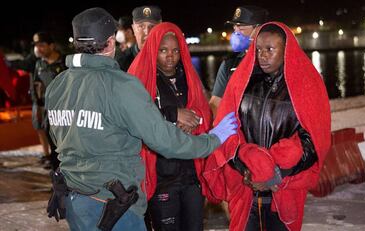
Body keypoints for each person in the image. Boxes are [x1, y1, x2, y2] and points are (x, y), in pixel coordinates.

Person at [45, 7, 237, 231]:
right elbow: (165, 141)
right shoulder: (121, 85)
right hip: (112, 205)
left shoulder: (57, 85)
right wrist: (213, 139)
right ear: (110, 42)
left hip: (74, 199)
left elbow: (56, 138)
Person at [203, 22, 331, 231]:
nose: (262, 55)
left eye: (270, 49)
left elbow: (315, 141)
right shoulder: (243, 83)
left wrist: (276, 174)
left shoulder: (306, 86)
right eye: (259, 49)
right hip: (245, 190)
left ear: (286, 49)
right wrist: (246, 168)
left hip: (283, 188)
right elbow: (228, 129)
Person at [128, 22, 216, 231]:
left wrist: (193, 122)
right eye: (164, 50)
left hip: (191, 173)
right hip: (161, 175)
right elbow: (133, 117)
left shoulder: (189, 78)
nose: (170, 56)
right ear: (153, 50)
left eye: (176, 50)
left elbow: (204, 111)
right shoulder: (139, 78)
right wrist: (173, 115)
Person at [209, 5, 268, 116]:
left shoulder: (273, 62)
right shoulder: (229, 64)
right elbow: (215, 103)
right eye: (234, 27)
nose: (236, 31)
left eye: (241, 27)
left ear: (259, 29)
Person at [31, 32, 65, 169]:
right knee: (51, 143)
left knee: (64, 146)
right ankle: (56, 174)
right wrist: (38, 106)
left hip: (64, 112)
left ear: (52, 46)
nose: (38, 49)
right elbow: (36, 85)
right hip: (47, 111)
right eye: (36, 46)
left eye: (42, 45)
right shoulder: (39, 64)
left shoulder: (65, 62)